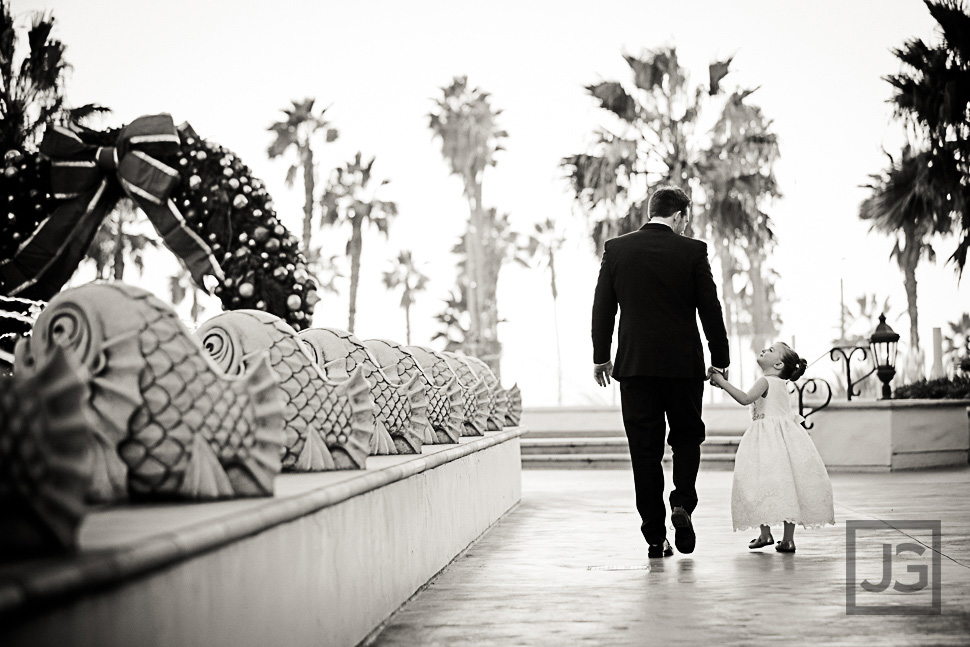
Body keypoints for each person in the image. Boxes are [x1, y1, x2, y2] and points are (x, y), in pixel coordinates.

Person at [592, 185, 730, 559]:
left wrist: (601, 356)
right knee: (687, 437)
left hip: (635, 369)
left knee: (644, 452)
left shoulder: (617, 249)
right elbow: (710, 309)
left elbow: (603, 308)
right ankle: (682, 501)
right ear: (679, 215)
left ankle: (656, 537)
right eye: (687, 219)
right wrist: (720, 358)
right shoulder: (692, 251)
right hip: (683, 368)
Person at [709, 342, 835, 553]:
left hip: (765, 441)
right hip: (786, 440)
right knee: (787, 484)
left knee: (760, 482)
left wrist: (721, 381)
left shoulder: (765, 381)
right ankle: (787, 539)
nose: (765, 350)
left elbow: (745, 398)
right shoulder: (780, 383)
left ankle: (766, 533)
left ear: (778, 364)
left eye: (771, 350)